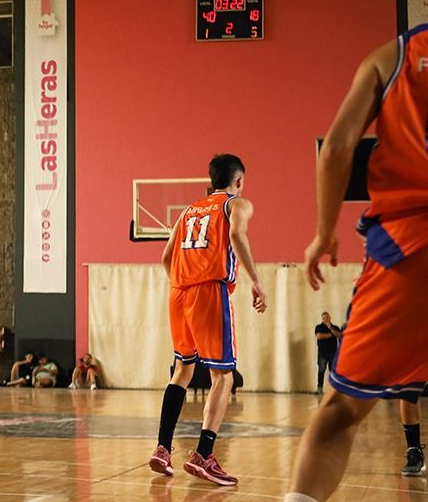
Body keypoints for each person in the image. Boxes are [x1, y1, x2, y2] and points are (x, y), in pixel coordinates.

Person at [287, 28, 428, 502]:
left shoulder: (393, 57)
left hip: (411, 251)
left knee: (341, 413)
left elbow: (337, 149)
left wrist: (325, 232)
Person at [149, 153, 268, 486]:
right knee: (223, 377)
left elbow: (165, 257)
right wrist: (257, 282)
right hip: (208, 291)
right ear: (238, 180)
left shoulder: (188, 211)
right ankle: (203, 454)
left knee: (182, 371)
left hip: (178, 291)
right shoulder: (237, 204)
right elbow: (236, 237)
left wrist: (182, 282)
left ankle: (162, 448)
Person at [313, 312, 342, 394]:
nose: (325, 319)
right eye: (324, 317)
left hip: (333, 353)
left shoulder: (335, 327)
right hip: (322, 353)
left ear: (330, 317)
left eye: (327, 317)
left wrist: (331, 328)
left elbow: (339, 335)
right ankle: (319, 389)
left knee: (333, 372)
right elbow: (319, 336)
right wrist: (330, 335)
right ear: (322, 319)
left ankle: (334, 389)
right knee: (321, 370)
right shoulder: (319, 327)